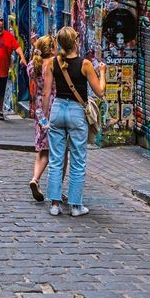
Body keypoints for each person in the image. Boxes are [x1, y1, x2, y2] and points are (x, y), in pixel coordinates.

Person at [43, 26, 106, 217]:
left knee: (56, 159)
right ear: (75, 42)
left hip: (57, 109)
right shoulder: (85, 64)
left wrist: (45, 117)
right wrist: (102, 72)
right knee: (78, 159)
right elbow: (100, 92)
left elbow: (46, 93)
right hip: (76, 112)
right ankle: (75, 206)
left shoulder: (52, 63)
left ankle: (54, 204)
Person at [27, 35, 57, 202]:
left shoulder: (33, 65)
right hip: (53, 107)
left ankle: (35, 179)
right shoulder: (54, 65)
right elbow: (49, 90)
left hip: (38, 108)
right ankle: (57, 187)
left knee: (42, 148)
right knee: (59, 150)